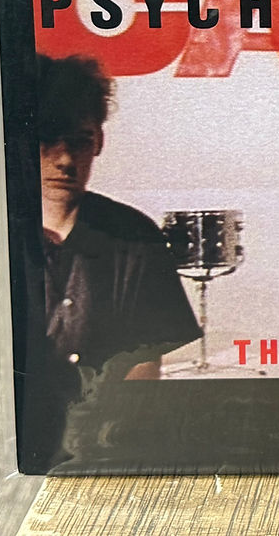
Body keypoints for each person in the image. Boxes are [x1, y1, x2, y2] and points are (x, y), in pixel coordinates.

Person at [37, 53, 201, 453]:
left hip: (105, 439)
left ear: (99, 142)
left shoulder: (136, 237)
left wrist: (117, 439)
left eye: (79, 141)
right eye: (47, 139)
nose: (64, 159)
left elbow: (144, 362)